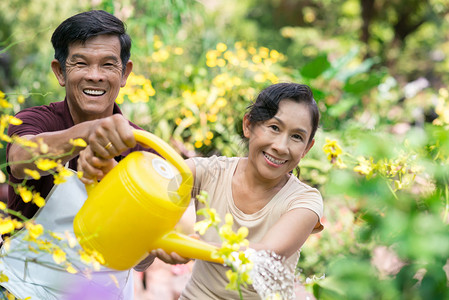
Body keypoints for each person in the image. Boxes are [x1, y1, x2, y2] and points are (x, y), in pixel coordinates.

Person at [80, 82, 325, 299]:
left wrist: (187, 247)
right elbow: (147, 198)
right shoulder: (206, 172)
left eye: (296, 137)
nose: (281, 146)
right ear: (248, 125)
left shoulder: (304, 202)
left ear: (307, 148)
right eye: (274, 127)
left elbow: (267, 252)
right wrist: (109, 172)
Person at [2, 10, 156, 299]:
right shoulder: (34, 121)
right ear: (60, 72)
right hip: (23, 289)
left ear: (125, 73)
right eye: (81, 63)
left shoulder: (142, 147)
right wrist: (88, 132)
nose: (94, 76)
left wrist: (148, 240)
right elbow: (21, 160)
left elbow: (144, 262)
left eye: (108, 64)